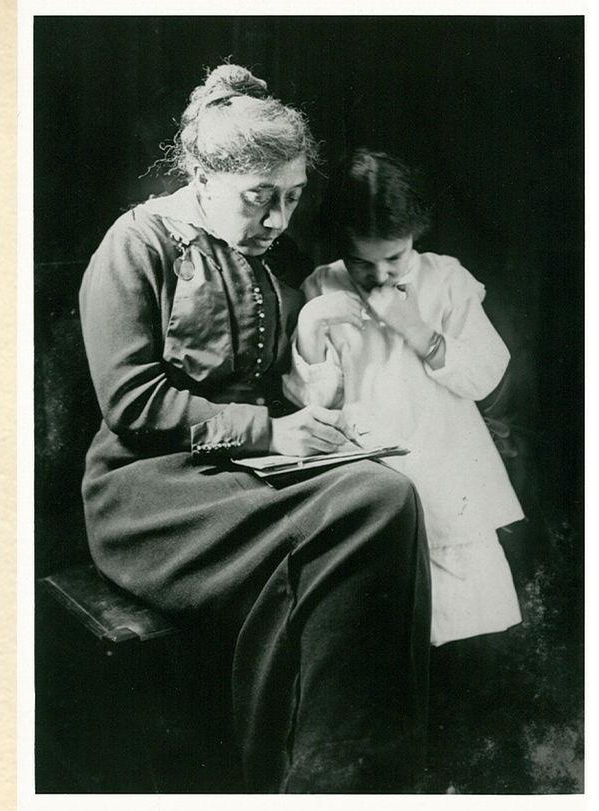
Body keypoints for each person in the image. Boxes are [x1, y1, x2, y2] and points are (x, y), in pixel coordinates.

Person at [77, 65, 428, 791]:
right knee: (366, 504)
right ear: (203, 176)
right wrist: (270, 434)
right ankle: (311, 777)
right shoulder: (137, 244)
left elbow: (282, 378)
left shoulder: (270, 259)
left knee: (388, 493)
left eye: (292, 199)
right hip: (150, 492)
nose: (278, 221)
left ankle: (349, 771)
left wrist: (318, 403)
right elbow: (133, 404)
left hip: (244, 472)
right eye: (259, 199)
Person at [286, 149, 523, 647]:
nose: (378, 274)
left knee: (461, 618)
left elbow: (484, 374)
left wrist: (422, 334)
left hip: (445, 466)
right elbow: (312, 400)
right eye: (360, 261)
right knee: (379, 620)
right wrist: (311, 328)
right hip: (368, 473)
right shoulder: (323, 286)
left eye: (394, 257)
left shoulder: (445, 281)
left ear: (415, 236)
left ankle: (461, 693)